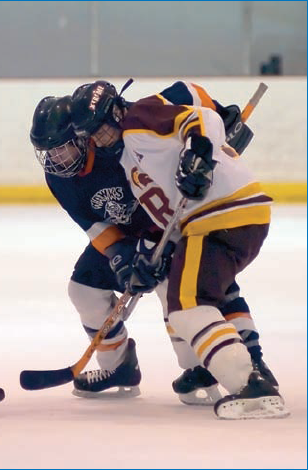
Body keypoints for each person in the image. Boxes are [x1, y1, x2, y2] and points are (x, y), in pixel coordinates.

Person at [69, 79, 289, 419]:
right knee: (195, 296)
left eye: (100, 129)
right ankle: (232, 367)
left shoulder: (139, 116)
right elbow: (164, 215)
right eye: (91, 135)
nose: (99, 139)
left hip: (220, 215)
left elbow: (204, 119)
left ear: (115, 111)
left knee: (188, 305)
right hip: (219, 219)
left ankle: (251, 384)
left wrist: (198, 150)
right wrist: (144, 257)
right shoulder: (128, 160)